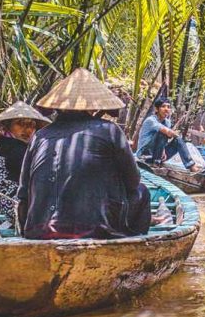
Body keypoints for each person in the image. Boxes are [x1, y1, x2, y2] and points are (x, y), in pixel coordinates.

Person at [17, 68, 151, 239]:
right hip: (93, 229)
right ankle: (136, 249)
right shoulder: (109, 130)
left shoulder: (40, 135)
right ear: (93, 108)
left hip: (38, 230)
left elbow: (23, 193)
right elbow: (133, 182)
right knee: (142, 191)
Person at [0, 102, 51, 224]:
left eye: (31, 125)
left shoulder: (8, 145)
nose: (27, 130)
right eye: (20, 124)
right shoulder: (13, 148)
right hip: (17, 208)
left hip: (15, 208)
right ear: (6, 127)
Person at [136, 97, 200, 172]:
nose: (166, 109)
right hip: (145, 156)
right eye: (163, 106)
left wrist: (163, 151)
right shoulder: (151, 120)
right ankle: (156, 162)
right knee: (164, 133)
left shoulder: (167, 122)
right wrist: (176, 134)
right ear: (156, 109)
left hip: (158, 156)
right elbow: (167, 132)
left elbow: (163, 140)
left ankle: (191, 166)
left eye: (168, 107)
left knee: (177, 140)